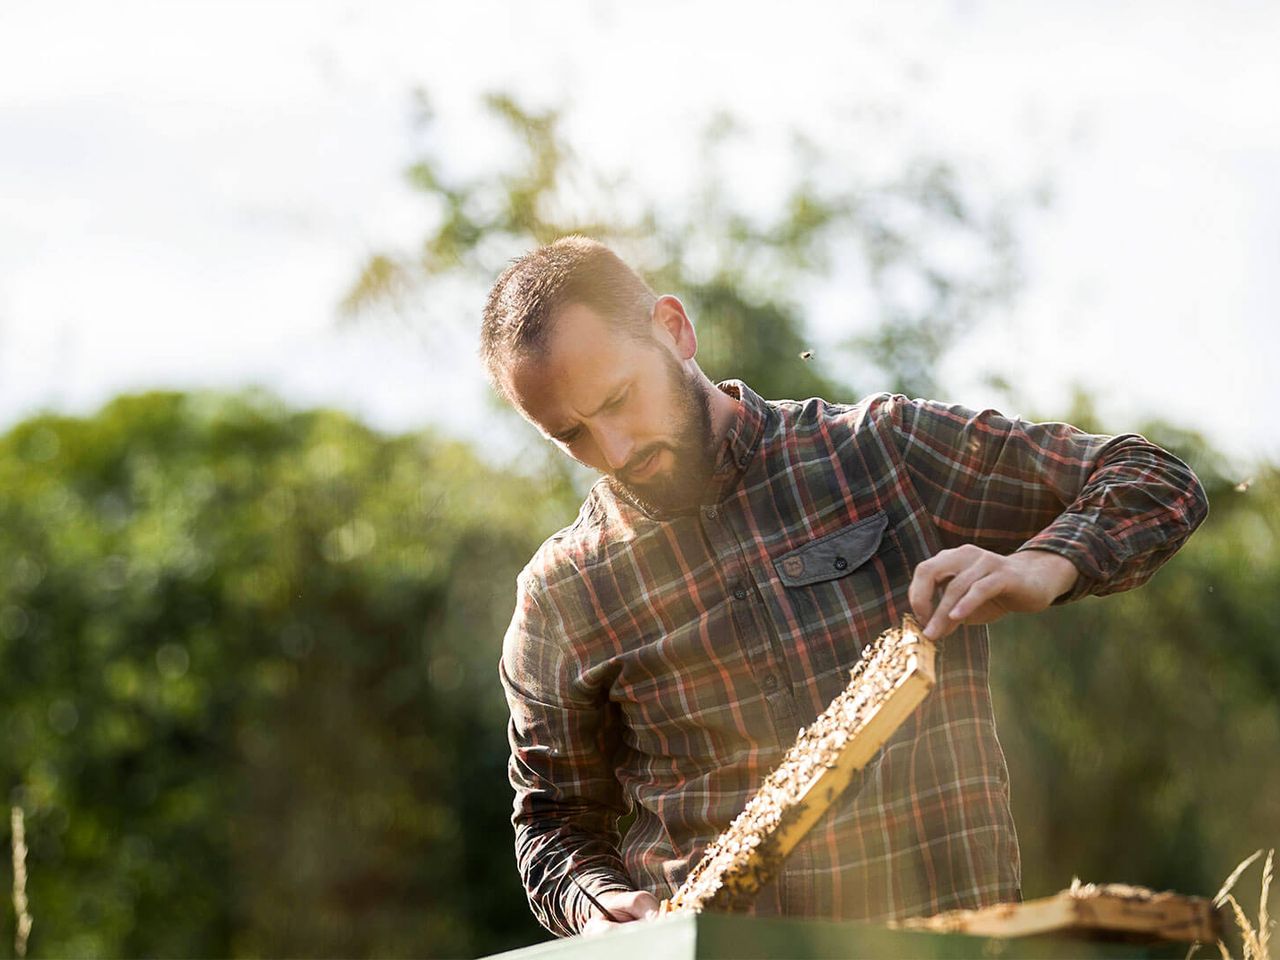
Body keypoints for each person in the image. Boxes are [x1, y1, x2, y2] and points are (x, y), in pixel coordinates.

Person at [482, 236, 1208, 938]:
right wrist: (596, 902)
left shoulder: (882, 453)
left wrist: (1040, 566)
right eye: (571, 434)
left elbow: (1154, 481)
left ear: (673, 330)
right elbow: (553, 823)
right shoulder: (563, 593)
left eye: (616, 400)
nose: (614, 450)